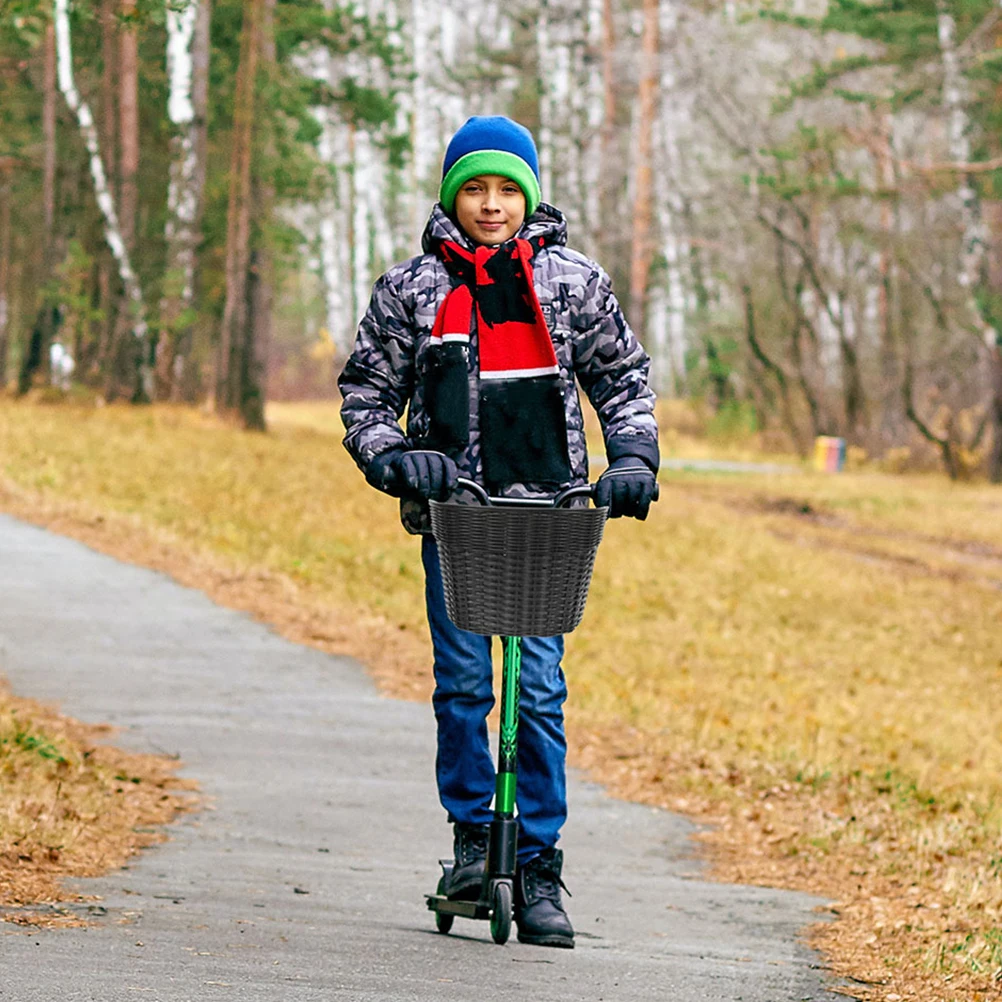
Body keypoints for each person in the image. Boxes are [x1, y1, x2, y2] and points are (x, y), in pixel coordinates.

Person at [339, 115, 659, 949]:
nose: (490, 205)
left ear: (529, 193)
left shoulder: (574, 283)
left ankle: (541, 861)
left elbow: (622, 378)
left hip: (551, 517)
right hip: (457, 516)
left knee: (541, 692)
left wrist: (632, 457)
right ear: (452, 196)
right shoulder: (411, 289)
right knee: (465, 688)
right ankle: (476, 844)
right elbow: (366, 395)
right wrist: (396, 459)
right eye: (474, 189)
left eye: (505, 188)